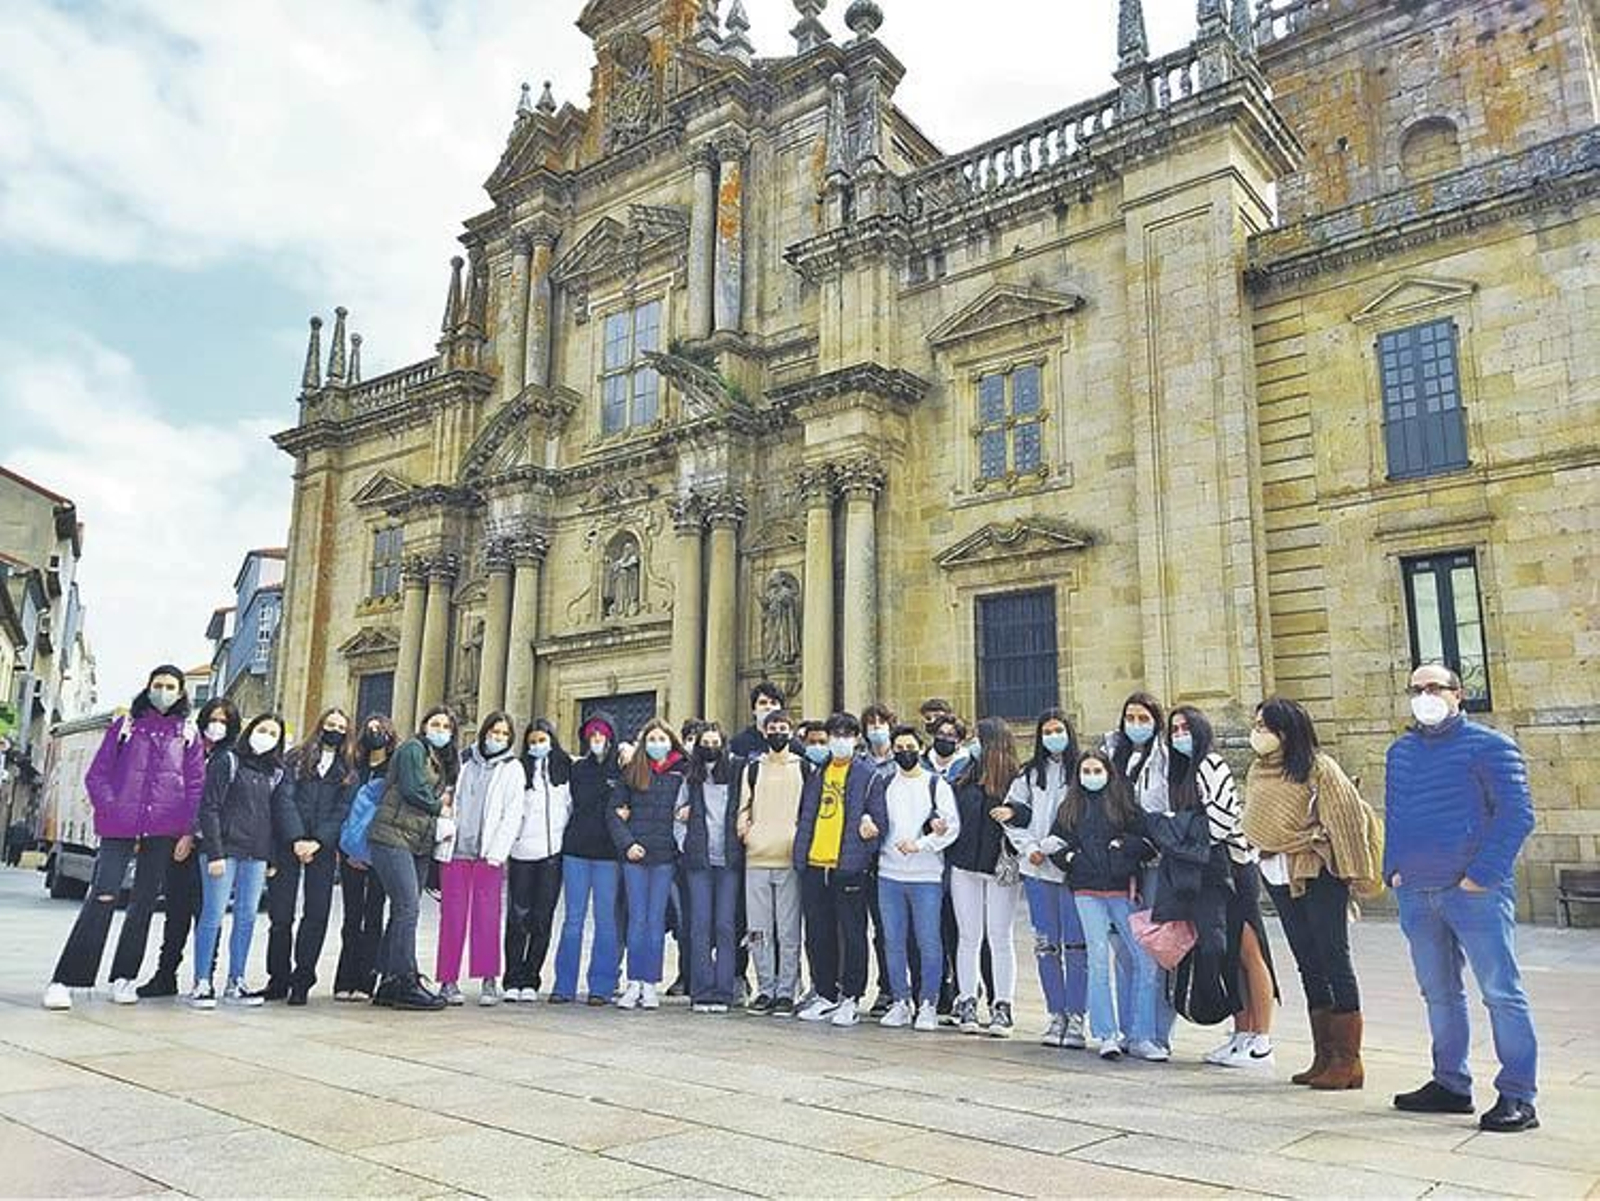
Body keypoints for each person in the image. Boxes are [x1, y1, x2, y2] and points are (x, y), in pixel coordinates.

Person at [1387, 665, 1539, 1133]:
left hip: (1474, 893)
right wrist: (1393, 869)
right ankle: (1450, 1084)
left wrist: (1482, 876)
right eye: (1416, 689)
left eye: (1434, 687)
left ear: (1458, 694)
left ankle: (1518, 1095)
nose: (1425, 696)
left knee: (1501, 992)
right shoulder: (1400, 752)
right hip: (1416, 891)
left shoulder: (1491, 746)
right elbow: (1395, 813)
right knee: (1438, 993)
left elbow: (1517, 815)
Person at [44, 665, 206, 1012]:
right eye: (158, 685)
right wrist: (111, 807)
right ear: (148, 687)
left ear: (181, 693)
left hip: (163, 829)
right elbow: (97, 774)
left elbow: (195, 786)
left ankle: (124, 977)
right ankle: (66, 980)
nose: (163, 691)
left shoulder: (188, 733)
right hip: (120, 825)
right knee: (102, 895)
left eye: (170, 686)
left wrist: (188, 831)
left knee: (143, 905)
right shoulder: (127, 726)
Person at [1242, 696, 1382, 1090]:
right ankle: (1324, 1055)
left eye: (1265, 726)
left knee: (1333, 957)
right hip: (1277, 872)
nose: (1258, 733)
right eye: (1256, 725)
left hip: (1317, 871)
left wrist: (1355, 874)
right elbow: (1257, 819)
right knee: (1307, 961)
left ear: (1287, 731)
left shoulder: (1320, 768)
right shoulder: (1258, 770)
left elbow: (1347, 821)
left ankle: (1348, 1060)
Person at [1167, 706, 1279, 1070]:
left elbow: (1220, 819)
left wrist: (1180, 829)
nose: (1179, 735)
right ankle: (1242, 1032)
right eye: (1174, 729)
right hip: (1212, 871)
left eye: (1185, 728)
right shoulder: (1185, 771)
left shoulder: (1210, 764)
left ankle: (1262, 1039)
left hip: (1234, 867)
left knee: (1250, 952)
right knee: (1229, 954)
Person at [1051, 749, 1162, 1061]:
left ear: (1108, 773)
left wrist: (1123, 848)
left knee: (1144, 960)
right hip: (1086, 892)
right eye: (1085, 771)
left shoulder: (1124, 804)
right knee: (1098, 960)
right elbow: (1055, 843)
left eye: (1096, 770)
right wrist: (1072, 860)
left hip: (1122, 891)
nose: (1091, 776)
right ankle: (1106, 1034)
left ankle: (1140, 1034)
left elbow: (1148, 841)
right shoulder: (1070, 807)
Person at [136, 695, 240, 999]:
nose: (217, 725)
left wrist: (191, 834)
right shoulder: (187, 749)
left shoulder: (229, 758)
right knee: (176, 911)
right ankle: (165, 974)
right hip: (178, 842)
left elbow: (214, 804)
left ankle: (204, 976)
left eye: (223, 721)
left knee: (208, 914)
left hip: (210, 845)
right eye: (213, 719)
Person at [189, 712, 294, 1009]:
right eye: (263, 729)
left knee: (247, 917)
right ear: (250, 730)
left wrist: (271, 857)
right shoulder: (228, 760)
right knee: (213, 915)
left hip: (256, 853)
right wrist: (214, 851)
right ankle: (202, 981)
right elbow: (209, 807)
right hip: (224, 850)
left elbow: (271, 815)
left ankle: (237, 980)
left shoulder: (275, 772)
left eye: (273, 734)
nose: (266, 737)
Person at [793, 712, 884, 1027]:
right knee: (818, 934)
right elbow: (806, 815)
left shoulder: (868, 775)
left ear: (856, 739)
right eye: (835, 735)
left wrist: (867, 841)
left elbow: (880, 820)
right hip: (815, 864)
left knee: (852, 934)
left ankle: (851, 997)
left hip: (849, 866)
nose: (840, 740)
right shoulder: (818, 773)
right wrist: (801, 857)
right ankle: (825, 993)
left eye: (846, 734)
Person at [1004, 709, 1088, 1049]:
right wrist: (1028, 849)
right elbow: (1011, 814)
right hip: (1036, 870)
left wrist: (1050, 847)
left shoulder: (1082, 770)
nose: (1054, 737)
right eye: (1048, 731)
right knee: (1045, 946)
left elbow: (1084, 817)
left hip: (1069, 869)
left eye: (1059, 730)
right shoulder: (1028, 774)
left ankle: (1077, 1016)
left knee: (1076, 946)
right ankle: (1056, 1014)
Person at [367, 705, 458, 1011]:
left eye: (446, 726)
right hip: (392, 834)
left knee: (403, 910)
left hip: (418, 841)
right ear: (424, 725)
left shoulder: (439, 758)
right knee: (407, 907)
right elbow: (412, 789)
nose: (441, 730)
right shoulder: (412, 749)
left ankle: (389, 981)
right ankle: (404, 981)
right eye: (436, 723)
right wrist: (441, 807)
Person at [262, 706, 355, 1005]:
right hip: (289, 843)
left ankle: (303, 978)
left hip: (322, 849)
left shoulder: (349, 768)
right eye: (330, 724)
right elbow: (284, 798)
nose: (334, 731)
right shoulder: (295, 758)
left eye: (340, 728)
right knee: (281, 915)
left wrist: (318, 841)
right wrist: (297, 838)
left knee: (316, 914)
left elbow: (343, 809)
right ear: (320, 725)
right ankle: (277, 978)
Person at [435, 710, 526, 1006]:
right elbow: (447, 797)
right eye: (494, 731)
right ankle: (447, 980)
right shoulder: (462, 762)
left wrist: (498, 853)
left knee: (487, 917)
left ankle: (488, 978)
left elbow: (513, 814)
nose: (498, 737)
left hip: (489, 854)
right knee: (452, 917)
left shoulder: (513, 768)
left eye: (504, 734)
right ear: (484, 732)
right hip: (456, 850)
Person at [874, 726, 959, 1033]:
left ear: (920, 748)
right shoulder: (885, 783)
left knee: (928, 941)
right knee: (893, 941)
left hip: (926, 876)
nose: (904, 753)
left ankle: (928, 1003)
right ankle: (900, 1000)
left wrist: (922, 845)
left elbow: (951, 826)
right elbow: (874, 817)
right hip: (889, 874)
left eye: (910, 747)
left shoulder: (936, 784)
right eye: (899, 748)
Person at [1103, 691, 1176, 1048]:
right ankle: (1128, 1030)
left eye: (1143, 718)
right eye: (1130, 718)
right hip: (1119, 863)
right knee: (1123, 949)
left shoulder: (1166, 758)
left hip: (1156, 862)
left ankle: (1153, 1033)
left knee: (1154, 948)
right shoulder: (1111, 755)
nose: (1135, 725)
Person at [948, 718, 1026, 1037]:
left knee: (1000, 936)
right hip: (964, 864)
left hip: (999, 866)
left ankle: (1002, 1004)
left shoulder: (1017, 780)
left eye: (978, 739)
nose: (973, 745)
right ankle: (967, 998)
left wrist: (1015, 813)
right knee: (968, 936)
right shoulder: (965, 776)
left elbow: (1030, 814)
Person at [609, 718, 686, 1011]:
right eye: (651, 739)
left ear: (671, 742)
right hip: (636, 857)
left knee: (655, 922)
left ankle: (650, 982)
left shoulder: (681, 773)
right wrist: (627, 844)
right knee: (637, 920)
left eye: (662, 738)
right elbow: (614, 813)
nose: (657, 744)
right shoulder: (632, 772)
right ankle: (634, 982)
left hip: (665, 858)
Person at [737, 708, 807, 1016]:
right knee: (758, 930)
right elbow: (743, 806)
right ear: (765, 732)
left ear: (790, 731)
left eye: (783, 728)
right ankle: (765, 987)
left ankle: (786, 990)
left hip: (789, 858)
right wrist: (746, 832)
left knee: (788, 930)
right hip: (757, 858)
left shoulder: (803, 767)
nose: (778, 733)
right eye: (773, 728)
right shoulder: (753, 768)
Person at [551, 712, 624, 1005]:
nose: (597, 739)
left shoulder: (622, 768)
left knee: (606, 921)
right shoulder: (577, 768)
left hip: (608, 855)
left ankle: (601, 986)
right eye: (592, 735)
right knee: (573, 920)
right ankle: (563, 985)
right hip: (576, 851)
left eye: (601, 734)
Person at [504, 718, 571, 1003]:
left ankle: (531, 977)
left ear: (552, 741)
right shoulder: (518, 771)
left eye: (542, 740)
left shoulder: (566, 769)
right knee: (517, 918)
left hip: (552, 855)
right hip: (521, 853)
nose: (537, 746)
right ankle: (512, 978)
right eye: (532, 742)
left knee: (542, 919)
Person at [679, 722, 742, 1013]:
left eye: (716, 742)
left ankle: (723, 990)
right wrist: (684, 842)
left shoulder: (736, 774)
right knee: (700, 925)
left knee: (725, 925)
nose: (711, 747)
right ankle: (701, 990)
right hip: (699, 861)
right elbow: (677, 814)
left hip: (728, 860)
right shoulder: (690, 778)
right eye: (706, 743)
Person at [333, 714, 394, 1002]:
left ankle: (366, 980)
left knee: (374, 915)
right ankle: (344, 979)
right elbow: (340, 809)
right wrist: (346, 849)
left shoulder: (393, 771)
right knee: (351, 916)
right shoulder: (352, 768)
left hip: (380, 852)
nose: (375, 733)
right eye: (370, 729)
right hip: (351, 853)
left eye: (380, 729)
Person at [860, 703, 899, 1016]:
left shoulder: (903, 762)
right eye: (870, 723)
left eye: (880, 722)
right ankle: (884, 987)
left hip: (897, 852)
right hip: (866, 855)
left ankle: (899, 987)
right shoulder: (859, 763)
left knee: (893, 929)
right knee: (876, 928)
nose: (876, 728)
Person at [728, 682, 787, 760]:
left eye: (773, 703)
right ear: (754, 710)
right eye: (763, 703)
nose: (768, 707)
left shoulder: (792, 743)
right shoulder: (738, 743)